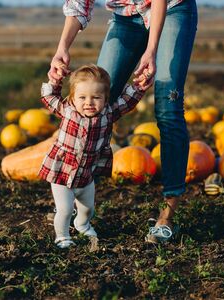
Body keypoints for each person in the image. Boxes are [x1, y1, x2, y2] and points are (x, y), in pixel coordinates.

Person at [49, 0, 198, 243]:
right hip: (126, 17)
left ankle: (167, 216)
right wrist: (62, 48)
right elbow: (79, 4)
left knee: (168, 107)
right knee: (95, 102)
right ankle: (72, 201)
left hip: (171, 9)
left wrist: (152, 49)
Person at [39, 64, 145, 248]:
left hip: (86, 175)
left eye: (96, 97)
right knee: (64, 209)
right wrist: (55, 81)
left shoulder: (108, 113)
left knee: (88, 209)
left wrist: (139, 86)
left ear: (105, 99)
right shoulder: (68, 110)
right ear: (73, 97)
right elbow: (49, 98)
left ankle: (82, 224)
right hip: (63, 173)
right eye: (82, 97)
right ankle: (62, 236)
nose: (89, 102)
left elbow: (127, 102)